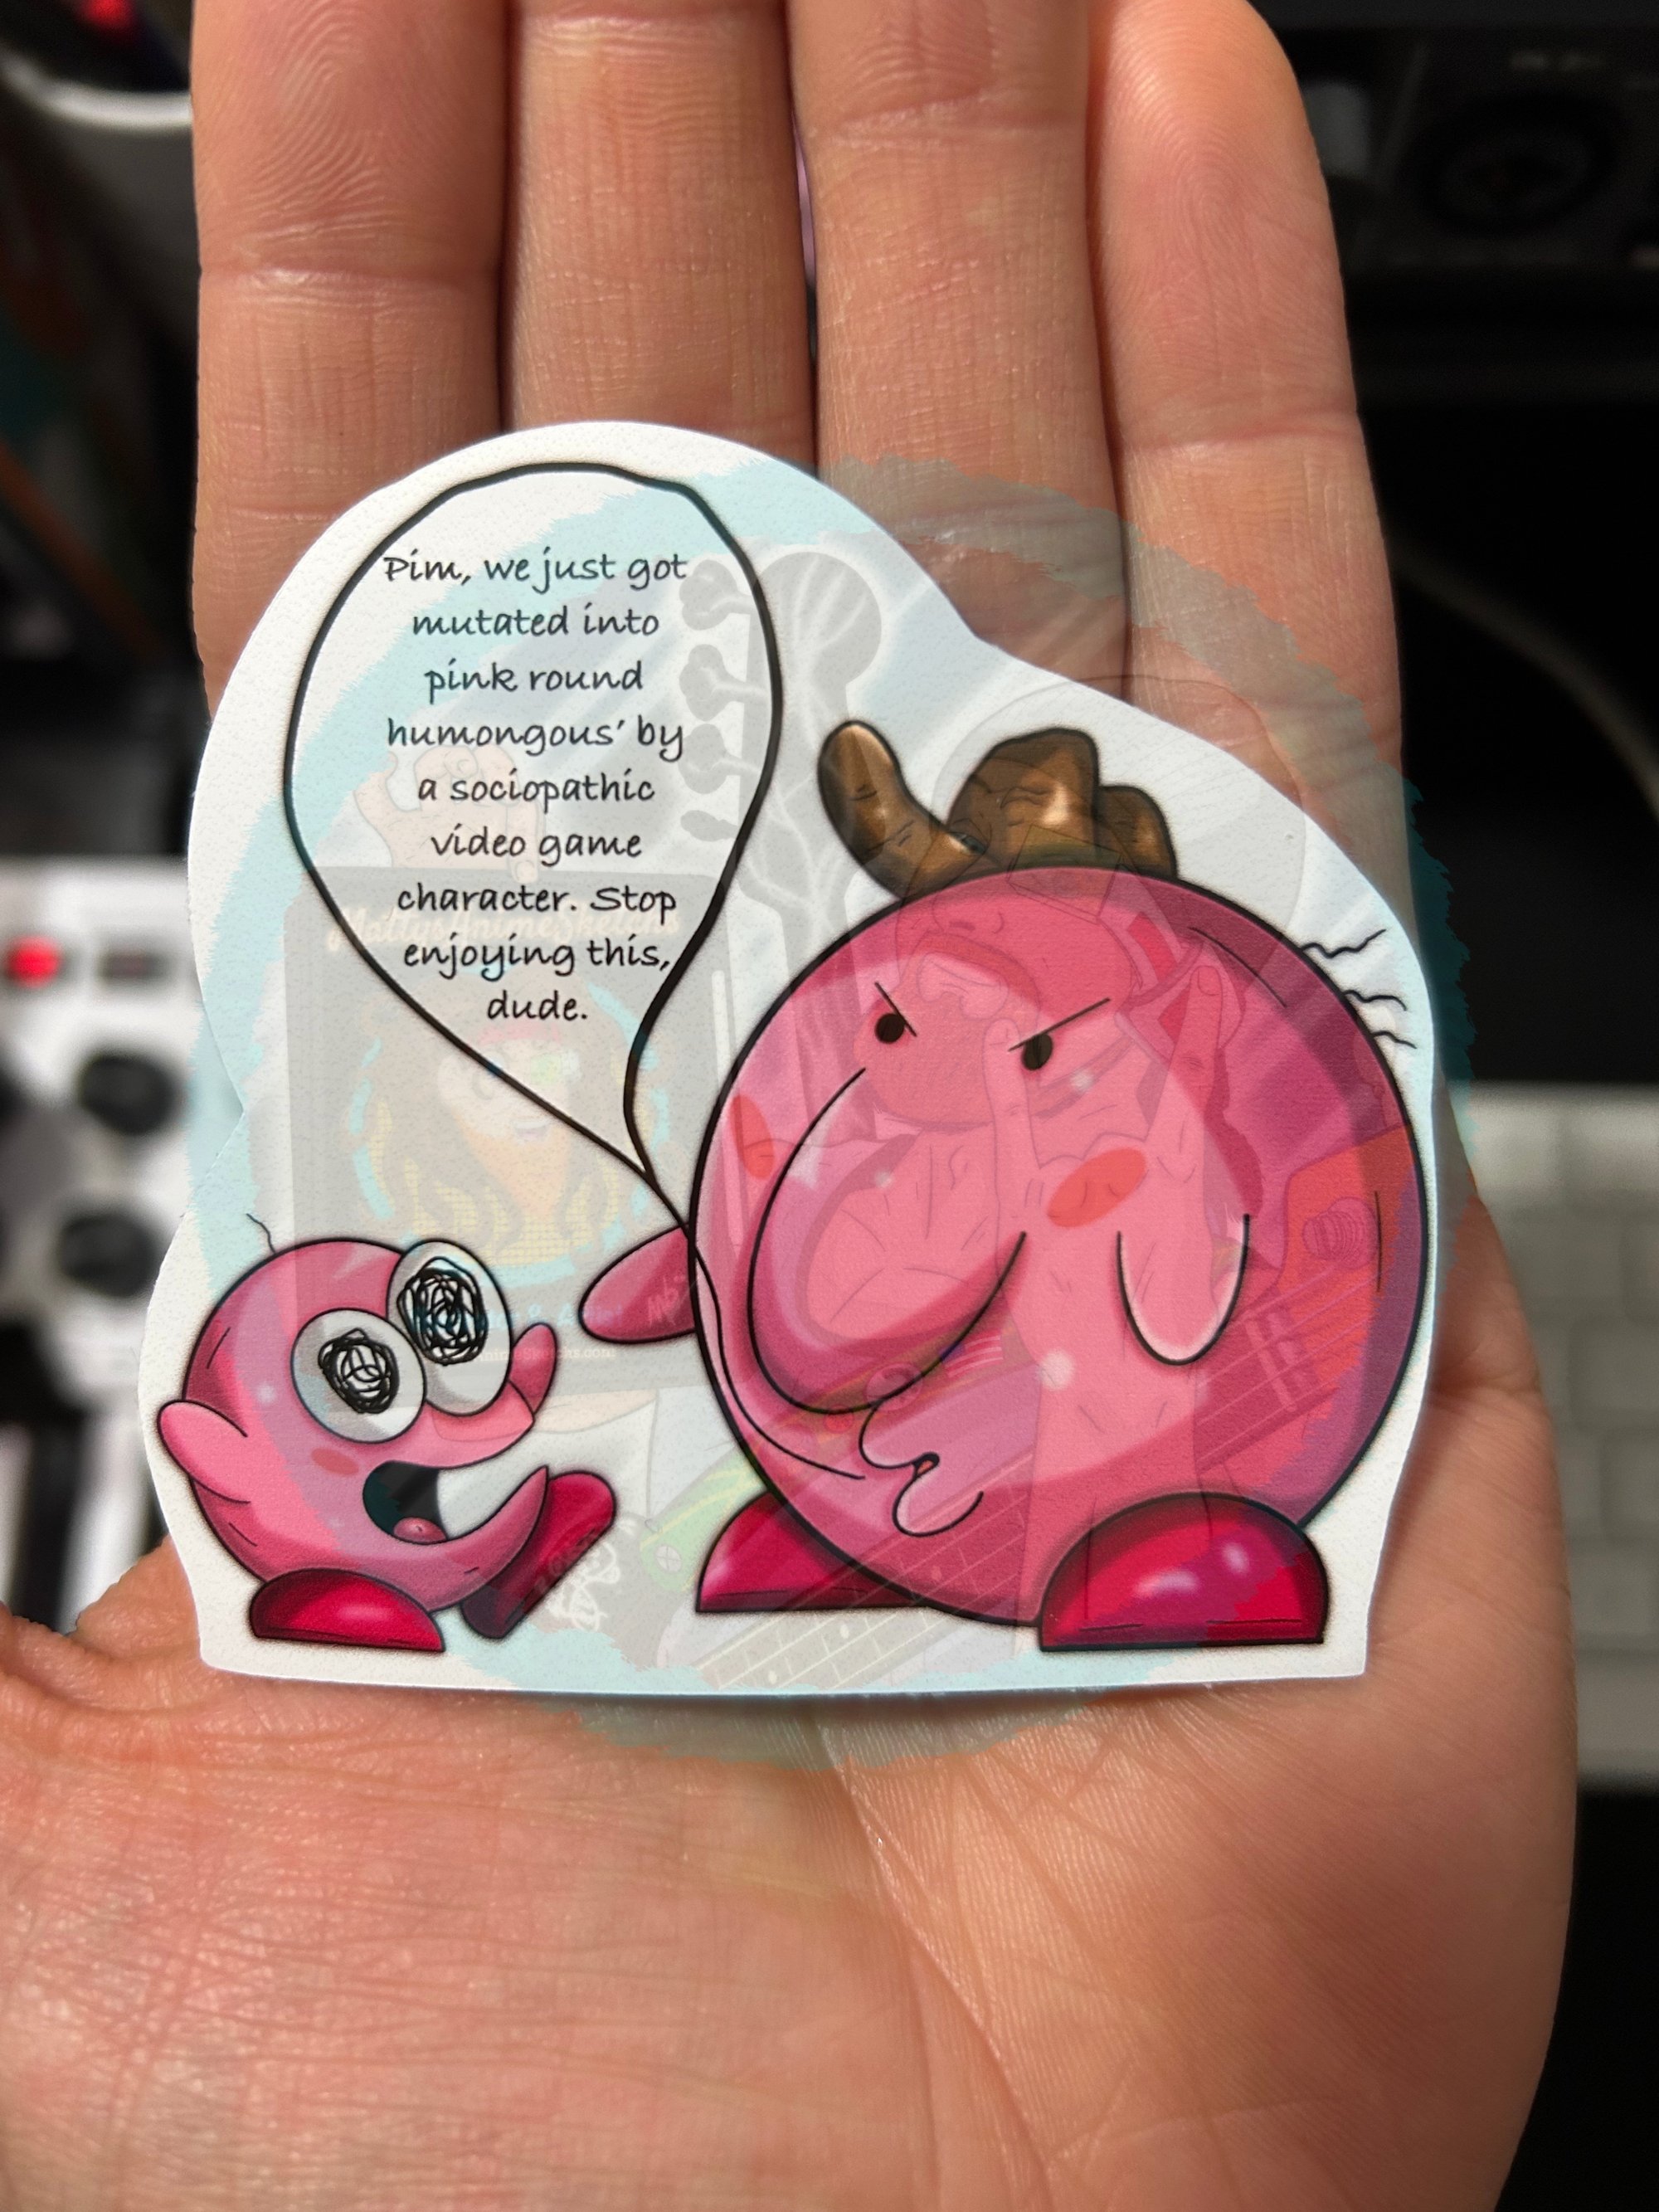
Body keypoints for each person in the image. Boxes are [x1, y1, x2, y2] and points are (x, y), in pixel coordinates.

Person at [0, 2, 1573, 2205]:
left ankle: (1103, 1550)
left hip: (1098, 1554)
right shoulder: (836, 1080)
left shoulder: (1154, 1111)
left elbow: (1177, 1275)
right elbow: (731, 1251)